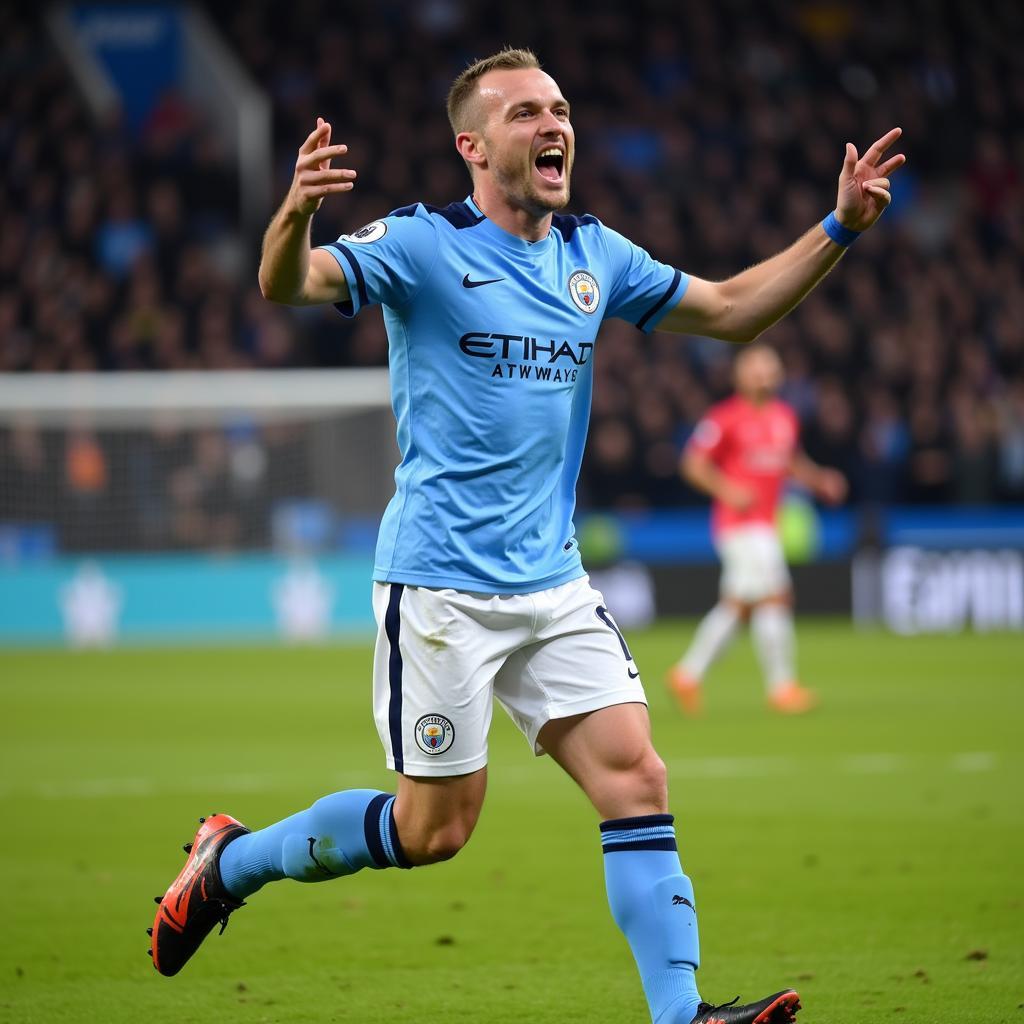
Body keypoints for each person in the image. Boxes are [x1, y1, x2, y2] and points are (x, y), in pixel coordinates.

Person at [148, 47, 903, 1024]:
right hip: (439, 588)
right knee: (433, 831)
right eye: (525, 114)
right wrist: (293, 216)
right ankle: (231, 861)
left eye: (560, 109)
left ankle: (681, 1015)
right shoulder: (421, 243)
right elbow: (288, 283)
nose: (554, 126)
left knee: (637, 773)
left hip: (550, 582)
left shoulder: (595, 254)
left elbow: (728, 310)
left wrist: (840, 224)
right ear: (472, 144)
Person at [667, 346, 848, 716]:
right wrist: (728, 490)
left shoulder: (785, 417)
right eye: (757, 369)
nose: (765, 375)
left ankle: (687, 675)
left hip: (765, 522)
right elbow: (693, 464)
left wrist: (818, 480)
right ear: (740, 376)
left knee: (739, 605)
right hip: (739, 525)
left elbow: (789, 461)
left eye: (771, 368)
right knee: (776, 596)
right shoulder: (725, 418)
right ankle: (781, 688)